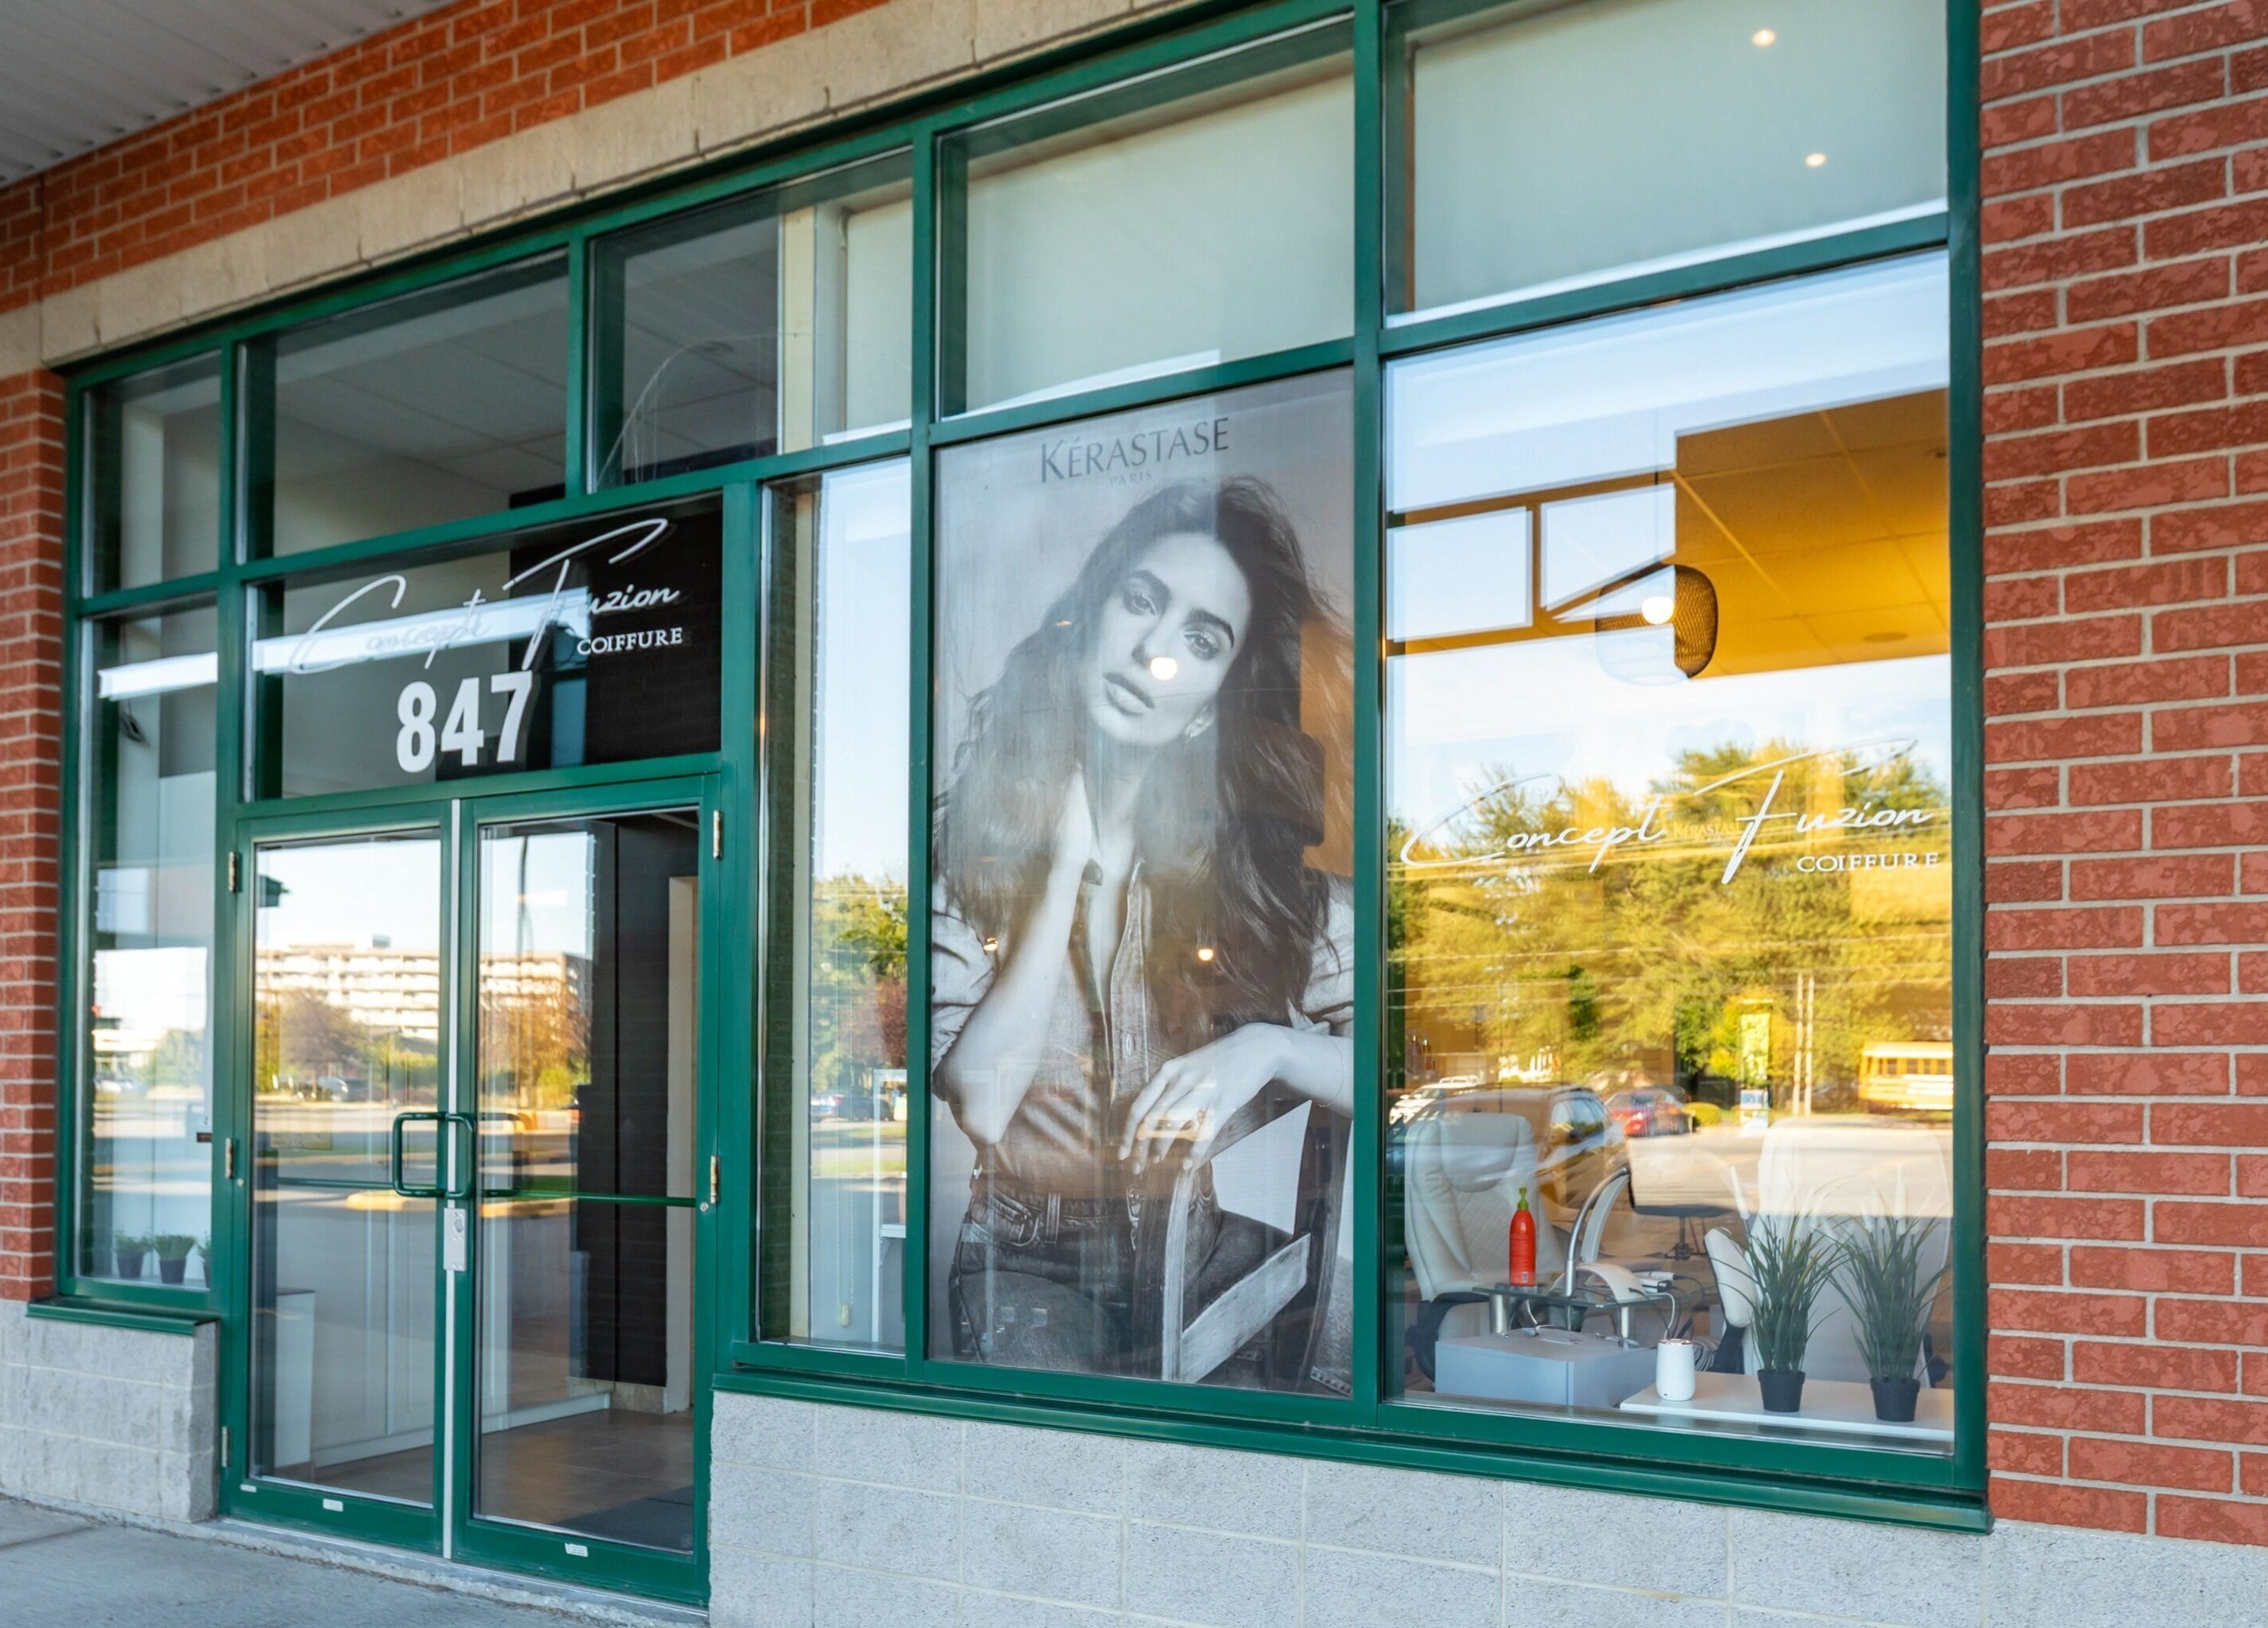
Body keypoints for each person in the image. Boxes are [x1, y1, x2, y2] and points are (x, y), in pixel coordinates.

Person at [932, 476, 1354, 1389]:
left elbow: (1393, 1077)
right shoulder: (962, 848)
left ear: (1206, 704)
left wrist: (1267, 1048)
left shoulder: (1266, 885)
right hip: (1033, 1266)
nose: (1153, 651)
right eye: (1140, 602)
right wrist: (1062, 870)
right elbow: (981, 1102)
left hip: (1214, 1258)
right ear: (1087, 621)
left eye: (1200, 641)